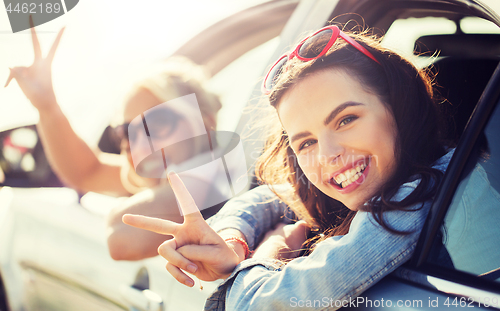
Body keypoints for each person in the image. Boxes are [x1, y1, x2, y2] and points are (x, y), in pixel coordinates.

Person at [122, 24, 454, 310]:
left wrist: (267, 254)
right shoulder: (384, 179)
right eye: (306, 142)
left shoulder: (416, 196)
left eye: (346, 119)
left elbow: (261, 304)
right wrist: (233, 240)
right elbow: (271, 198)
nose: (327, 154)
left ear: (400, 107)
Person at [4, 20, 224, 261]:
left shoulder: (219, 180)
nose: (139, 142)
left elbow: (122, 236)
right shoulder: (160, 178)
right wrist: (47, 106)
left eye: (157, 124)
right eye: (127, 131)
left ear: (203, 125)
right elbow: (87, 171)